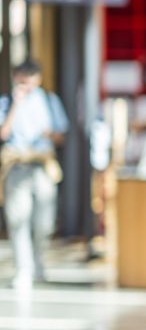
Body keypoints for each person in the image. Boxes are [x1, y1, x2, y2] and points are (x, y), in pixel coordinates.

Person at [0, 60, 69, 289]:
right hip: (17, 165)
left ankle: (38, 260)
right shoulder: (6, 102)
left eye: (28, 80)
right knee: (18, 219)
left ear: (37, 80)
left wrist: (48, 134)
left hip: (42, 165)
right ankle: (24, 269)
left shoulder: (49, 101)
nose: (24, 85)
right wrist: (16, 105)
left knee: (44, 222)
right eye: (20, 80)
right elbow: (3, 133)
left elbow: (62, 134)